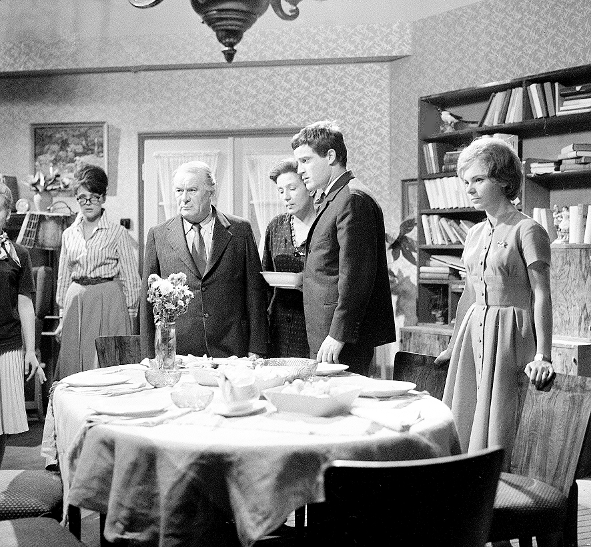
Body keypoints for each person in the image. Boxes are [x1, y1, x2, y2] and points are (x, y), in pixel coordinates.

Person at [435, 136, 554, 461]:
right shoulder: (474, 233)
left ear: (502, 180)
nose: (470, 189)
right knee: (465, 413)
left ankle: (496, 482)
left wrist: (543, 355)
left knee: (501, 419)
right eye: (466, 182)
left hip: (510, 334)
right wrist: (452, 345)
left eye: (478, 180)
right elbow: (469, 293)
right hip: (473, 333)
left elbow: (542, 294)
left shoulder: (528, 230)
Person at [291, 120, 395, 375]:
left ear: (330, 156)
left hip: (341, 339)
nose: (300, 170)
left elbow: (356, 276)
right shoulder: (335, 197)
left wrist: (339, 334)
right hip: (329, 333)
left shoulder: (352, 199)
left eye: (305, 160)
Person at [140, 160, 269, 358]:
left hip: (231, 350)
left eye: (192, 190)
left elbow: (255, 293)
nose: (184, 198)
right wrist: (149, 356)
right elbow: (148, 302)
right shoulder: (159, 235)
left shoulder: (240, 230)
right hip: (178, 352)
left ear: (211, 192)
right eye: (179, 191)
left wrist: (257, 348)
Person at [54, 165, 141, 380]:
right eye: (82, 198)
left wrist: (130, 318)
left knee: (107, 365)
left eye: (94, 197)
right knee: (74, 366)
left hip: (109, 302)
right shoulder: (68, 234)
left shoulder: (117, 233)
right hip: (76, 303)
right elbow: (63, 278)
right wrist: (62, 318)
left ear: (102, 198)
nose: (88, 203)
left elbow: (131, 279)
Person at [0, 182, 45, 466]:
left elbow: (25, 304)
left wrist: (30, 351)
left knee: (1, 425)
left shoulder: (19, 255)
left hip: (7, 345)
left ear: (7, 214)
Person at [262, 159, 315, 358]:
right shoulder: (275, 226)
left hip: (314, 324)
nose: (286, 197)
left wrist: (307, 281)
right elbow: (265, 280)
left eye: (292, 188)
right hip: (280, 327)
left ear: (308, 187)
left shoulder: (324, 225)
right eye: (280, 191)